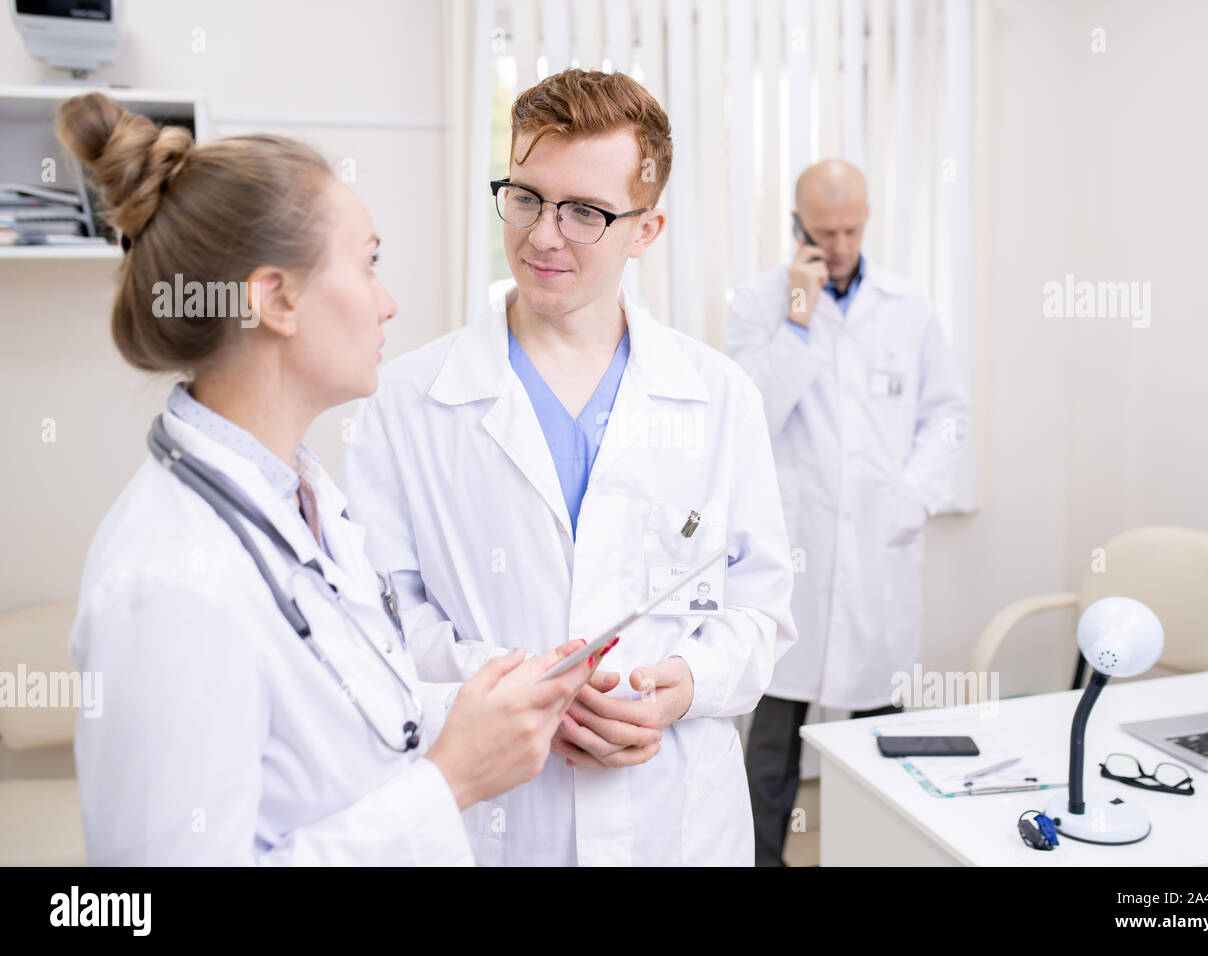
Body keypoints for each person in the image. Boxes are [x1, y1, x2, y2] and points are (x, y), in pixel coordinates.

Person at [59, 93, 599, 865]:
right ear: (275, 298)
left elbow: (354, 715)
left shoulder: (304, 499)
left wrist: (496, 703)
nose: (388, 304)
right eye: (368, 263)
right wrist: (447, 786)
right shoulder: (170, 581)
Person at [341, 69, 796, 866]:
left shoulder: (719, 397)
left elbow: (760, 608)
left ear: (645, 230)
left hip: (675, 819)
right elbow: (381, 623)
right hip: (498, 820)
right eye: (525, 197)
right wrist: (517, 688)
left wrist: (680, 686)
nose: (544, 234)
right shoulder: (407, 399)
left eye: (585, 212)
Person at [726, 158, 969, 866]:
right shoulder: (757, 303)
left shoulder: (909, 309)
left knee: (880, 744)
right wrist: (799, 322)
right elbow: (751, 418)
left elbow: (946, 416)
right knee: (770, 750)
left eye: (851, 229)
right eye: (824, 231)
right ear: (797, 226)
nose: (838, 244)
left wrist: (913, 498)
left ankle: (884, 856)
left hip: (876, 557)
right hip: (793, 556)